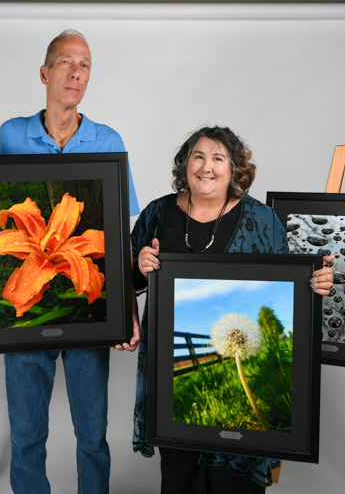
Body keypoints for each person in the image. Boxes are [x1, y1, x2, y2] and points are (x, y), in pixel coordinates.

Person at [0, 30, 140, 494]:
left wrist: (128, 308)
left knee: (92, 435)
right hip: (27, 318)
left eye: (86, 65)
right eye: (66, 62)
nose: (77, 72)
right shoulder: (12, 134)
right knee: (27, 434)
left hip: (89, 311)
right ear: (45, 72)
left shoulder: (107, 138)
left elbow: (120, 233)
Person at [130, 126, 334, 494]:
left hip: (242, 400)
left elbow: (285, 285)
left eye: (218, 158)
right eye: (198, 156)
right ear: (185, 164)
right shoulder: (157, 213)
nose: (207, 167)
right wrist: (139, 265)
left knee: (234, 479)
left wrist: (314, 283)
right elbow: (128, 280)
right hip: (166, 376)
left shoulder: (261, 219)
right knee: (179, 472)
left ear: (234, 169)